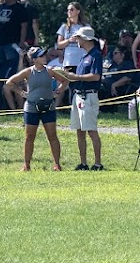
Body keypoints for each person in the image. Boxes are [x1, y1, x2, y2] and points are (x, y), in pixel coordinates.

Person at [52, 26, 104, 170]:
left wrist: (76, 76)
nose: (77, 41)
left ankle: (98, 163)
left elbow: (96, 76)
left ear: (86, 39)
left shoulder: (95, 55)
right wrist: (65, 75)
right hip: (78, 95)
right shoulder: (84, 56)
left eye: (79, 38)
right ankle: (83, 163)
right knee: (79, 131)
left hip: (89, 95)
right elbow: (76, 77)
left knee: (91, 130)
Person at [7, 48, 63, 171]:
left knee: (52, 136)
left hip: (48, 107)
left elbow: (65, 81)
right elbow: (10, 82)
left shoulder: (50, 71)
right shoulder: (28, 72)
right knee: (29, 137)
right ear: (34, 59)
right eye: (41, 56)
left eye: (44, 55)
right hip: (31, 107)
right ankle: (26, 165)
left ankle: (57, 164)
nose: (44, 57)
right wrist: (21, 93)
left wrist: (57, 91)